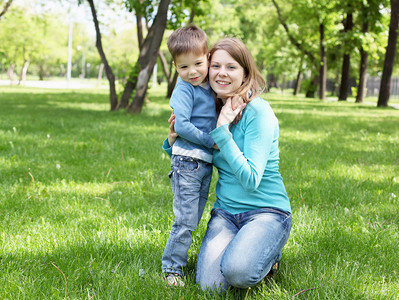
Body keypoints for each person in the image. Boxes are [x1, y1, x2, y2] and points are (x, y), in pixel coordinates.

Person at [164, 37, 292, 292]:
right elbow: (194, 155)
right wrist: (170, 141)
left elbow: (251, 179)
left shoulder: (259, 112)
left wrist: (223, 130)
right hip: (226, 214)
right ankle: (246, 247)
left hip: (266, 212)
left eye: (231, 67)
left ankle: (269, 255)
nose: (222, 73)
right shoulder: (213, 108)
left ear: (245, 72)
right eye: (216, 66)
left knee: (238, 272)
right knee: (210, 286)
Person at [161, 24, 217, 287]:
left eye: (197, 63)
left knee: (192, 219)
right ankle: (171, 267)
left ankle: (180, 259)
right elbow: (181, 126)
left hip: (203, 164)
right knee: (185, 220)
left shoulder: (210, 87)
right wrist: (211, 142)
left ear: (208, 58)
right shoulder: (184, 89)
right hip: (187, 163)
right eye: (184, 67)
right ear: (175, 67)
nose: (192, 72)